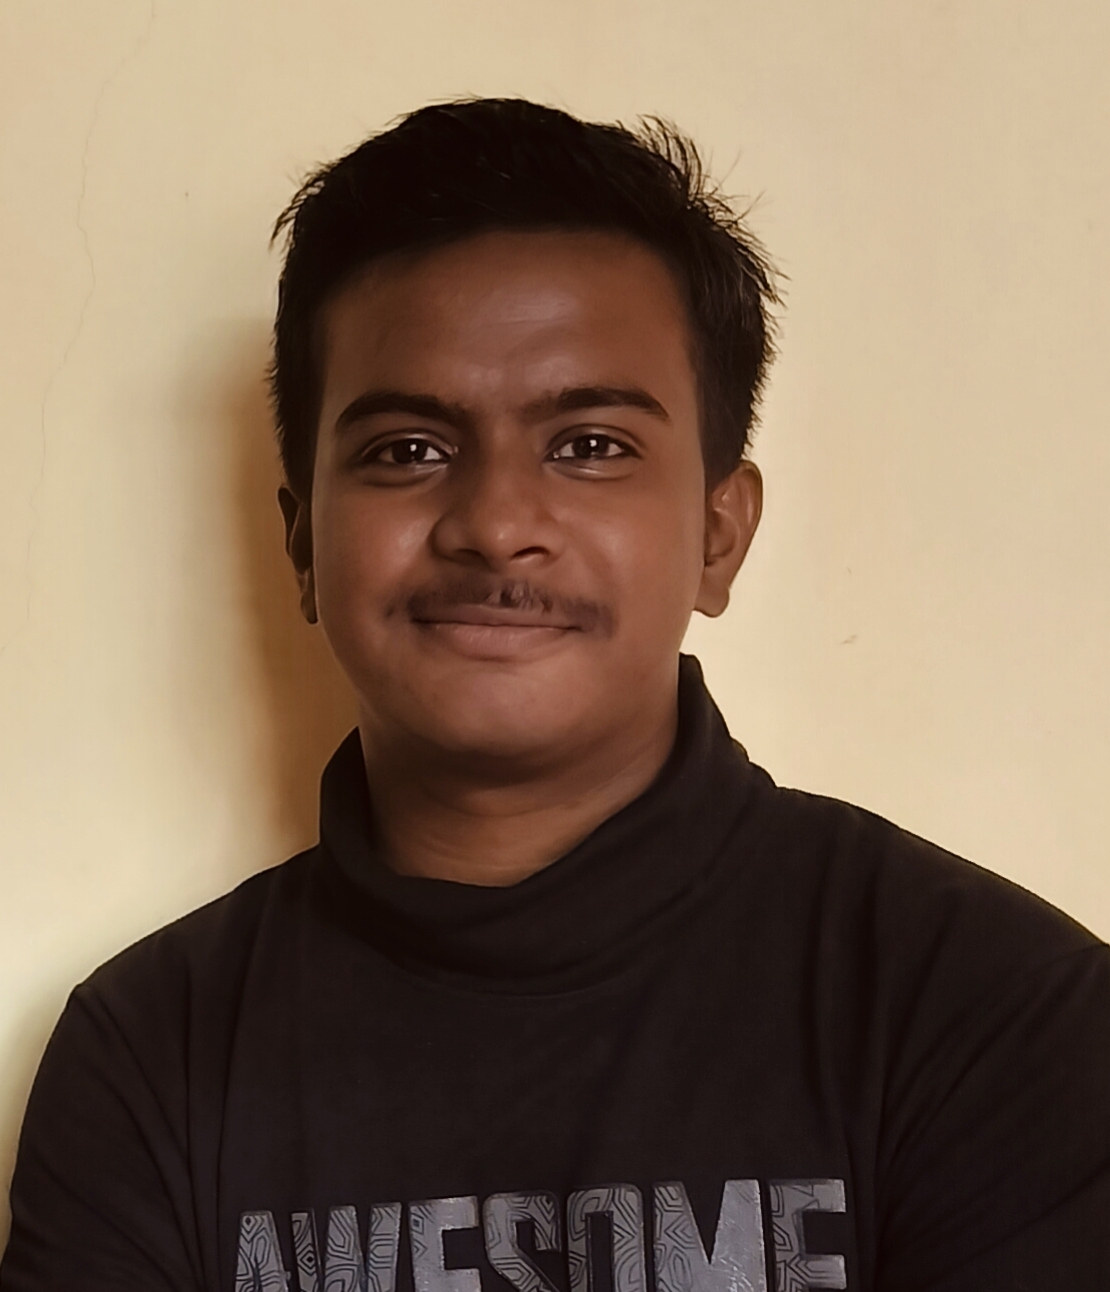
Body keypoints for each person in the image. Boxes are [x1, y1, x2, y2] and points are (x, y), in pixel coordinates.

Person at [2, 98, 1107, 1292]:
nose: (494, 523)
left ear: (718, 535)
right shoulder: (148, 1054)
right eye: (407, 449)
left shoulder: (996, 1011)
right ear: (304, 543)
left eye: (590, 445)